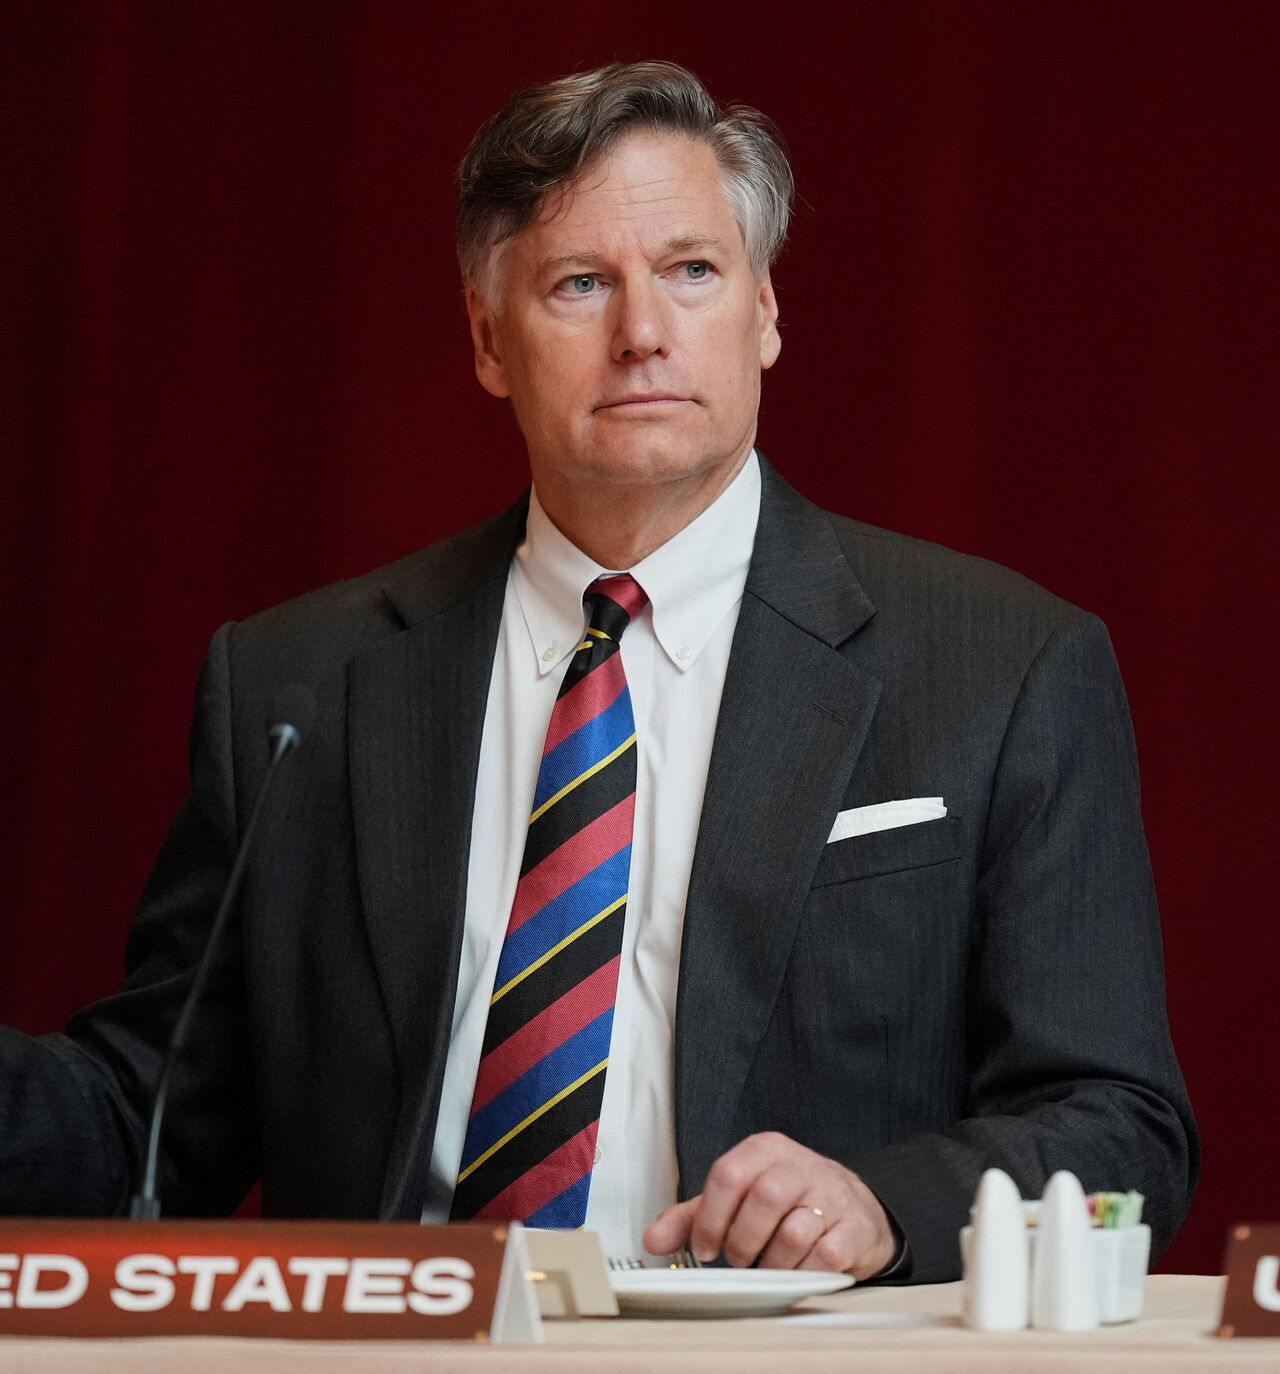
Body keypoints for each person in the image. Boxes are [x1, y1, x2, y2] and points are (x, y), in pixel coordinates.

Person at [0, 61, 1196, 1284]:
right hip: (404, 1355)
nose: (642, 334)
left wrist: (883, 1207)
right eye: (580, 283)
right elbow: (145, 1124)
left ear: (764, 311)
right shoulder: (296, 685)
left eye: (691, 271)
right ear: (488, 339)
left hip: (792, 1353)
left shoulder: (1000, 667)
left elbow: (1120, 1130)